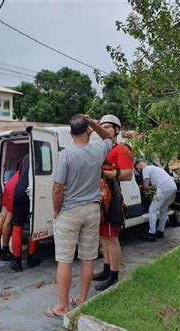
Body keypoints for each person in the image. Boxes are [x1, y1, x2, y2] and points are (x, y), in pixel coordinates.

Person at [44, 114, 113, 319]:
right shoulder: (98, 151)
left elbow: (58, 189)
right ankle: (82, 298)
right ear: (88, 131)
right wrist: (94, 123)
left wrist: (56, 211)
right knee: (88, 255)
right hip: (92, 210)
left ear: (72, 133)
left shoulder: (67, 155)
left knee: (64, 259)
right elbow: (110, 137)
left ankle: (63, 306)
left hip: (70, 211)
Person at [92, 114, 133, 291]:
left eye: (109, 126)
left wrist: (103, 174)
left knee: (111, 237)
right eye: (103, 126)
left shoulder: (122, 149)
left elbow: (127, 174)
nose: (105, 129)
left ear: (116, 130)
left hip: (112, 194)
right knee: (104, 236)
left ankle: (114, 276)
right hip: (101, 193)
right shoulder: (102, 148)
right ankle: (106, 269)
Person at [9, 154, 41, 271]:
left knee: (17, 227)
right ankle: (30, 258)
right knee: (34, 225)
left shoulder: (26, 157)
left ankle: (17, 262)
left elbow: (20, 173)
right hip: (32, 189)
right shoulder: (43, 155)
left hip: (19, 190)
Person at [134, 159, 178, 242]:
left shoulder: (146, 169)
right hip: (173, 189)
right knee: (163, 210)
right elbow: (153, 186)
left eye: (137, 169)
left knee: (152, 210)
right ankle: (160, 232)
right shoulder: (155, 169)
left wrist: (141, 187)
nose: (138, 171)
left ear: (141, 165)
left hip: (164, 189)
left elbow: (146, 186)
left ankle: (151, 234)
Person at [0, 163, 21, 261]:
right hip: (14, 188)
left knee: (2, 214)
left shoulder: (18, 168)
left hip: (8, 185)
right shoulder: (30, 161)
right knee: (9, 218)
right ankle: (5, 250)